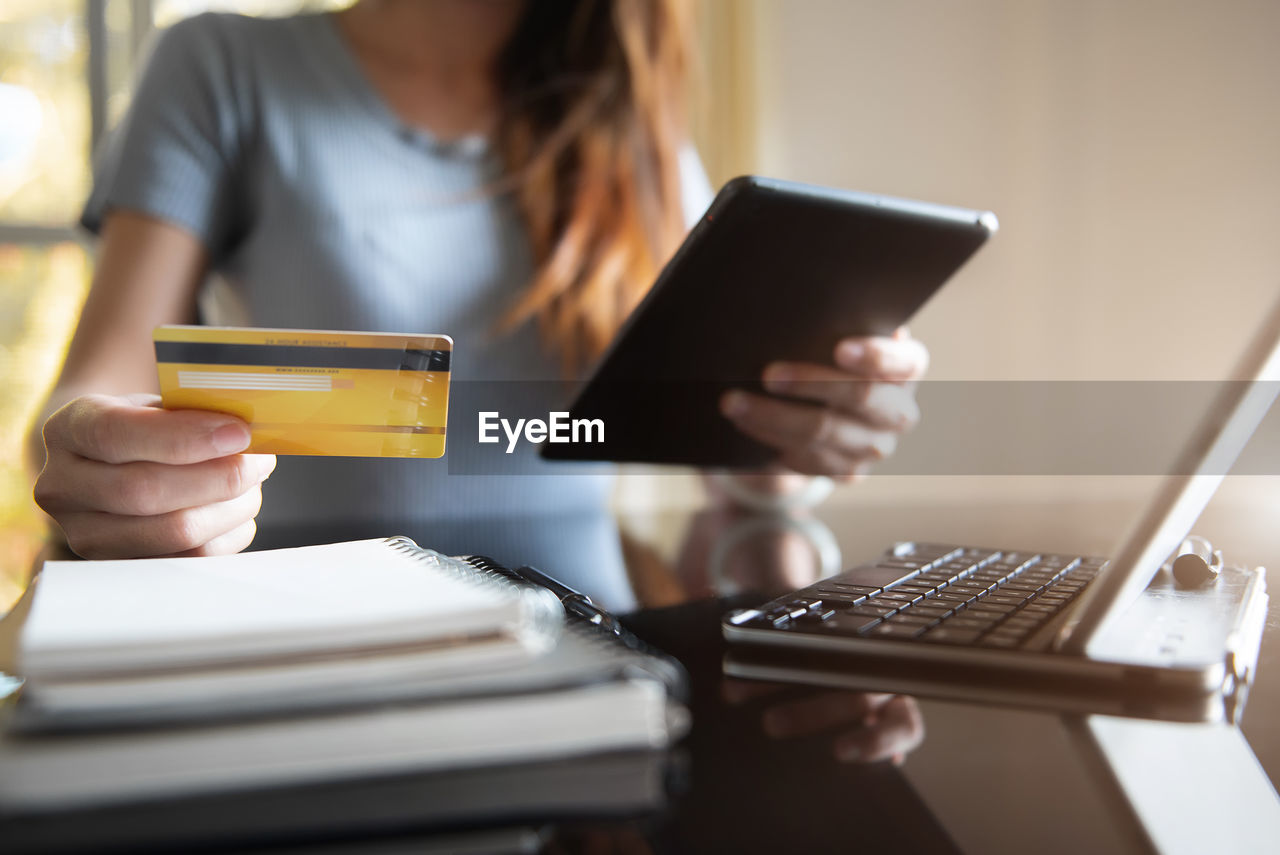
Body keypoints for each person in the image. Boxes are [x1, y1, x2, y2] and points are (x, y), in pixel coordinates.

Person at [30, 0, 927, 561]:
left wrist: (788, 443)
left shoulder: (635, 136)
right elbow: (91, 396)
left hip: (594, 664)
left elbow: (720, 451)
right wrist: (97, 467)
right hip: (311, 653)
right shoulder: (221, 68)